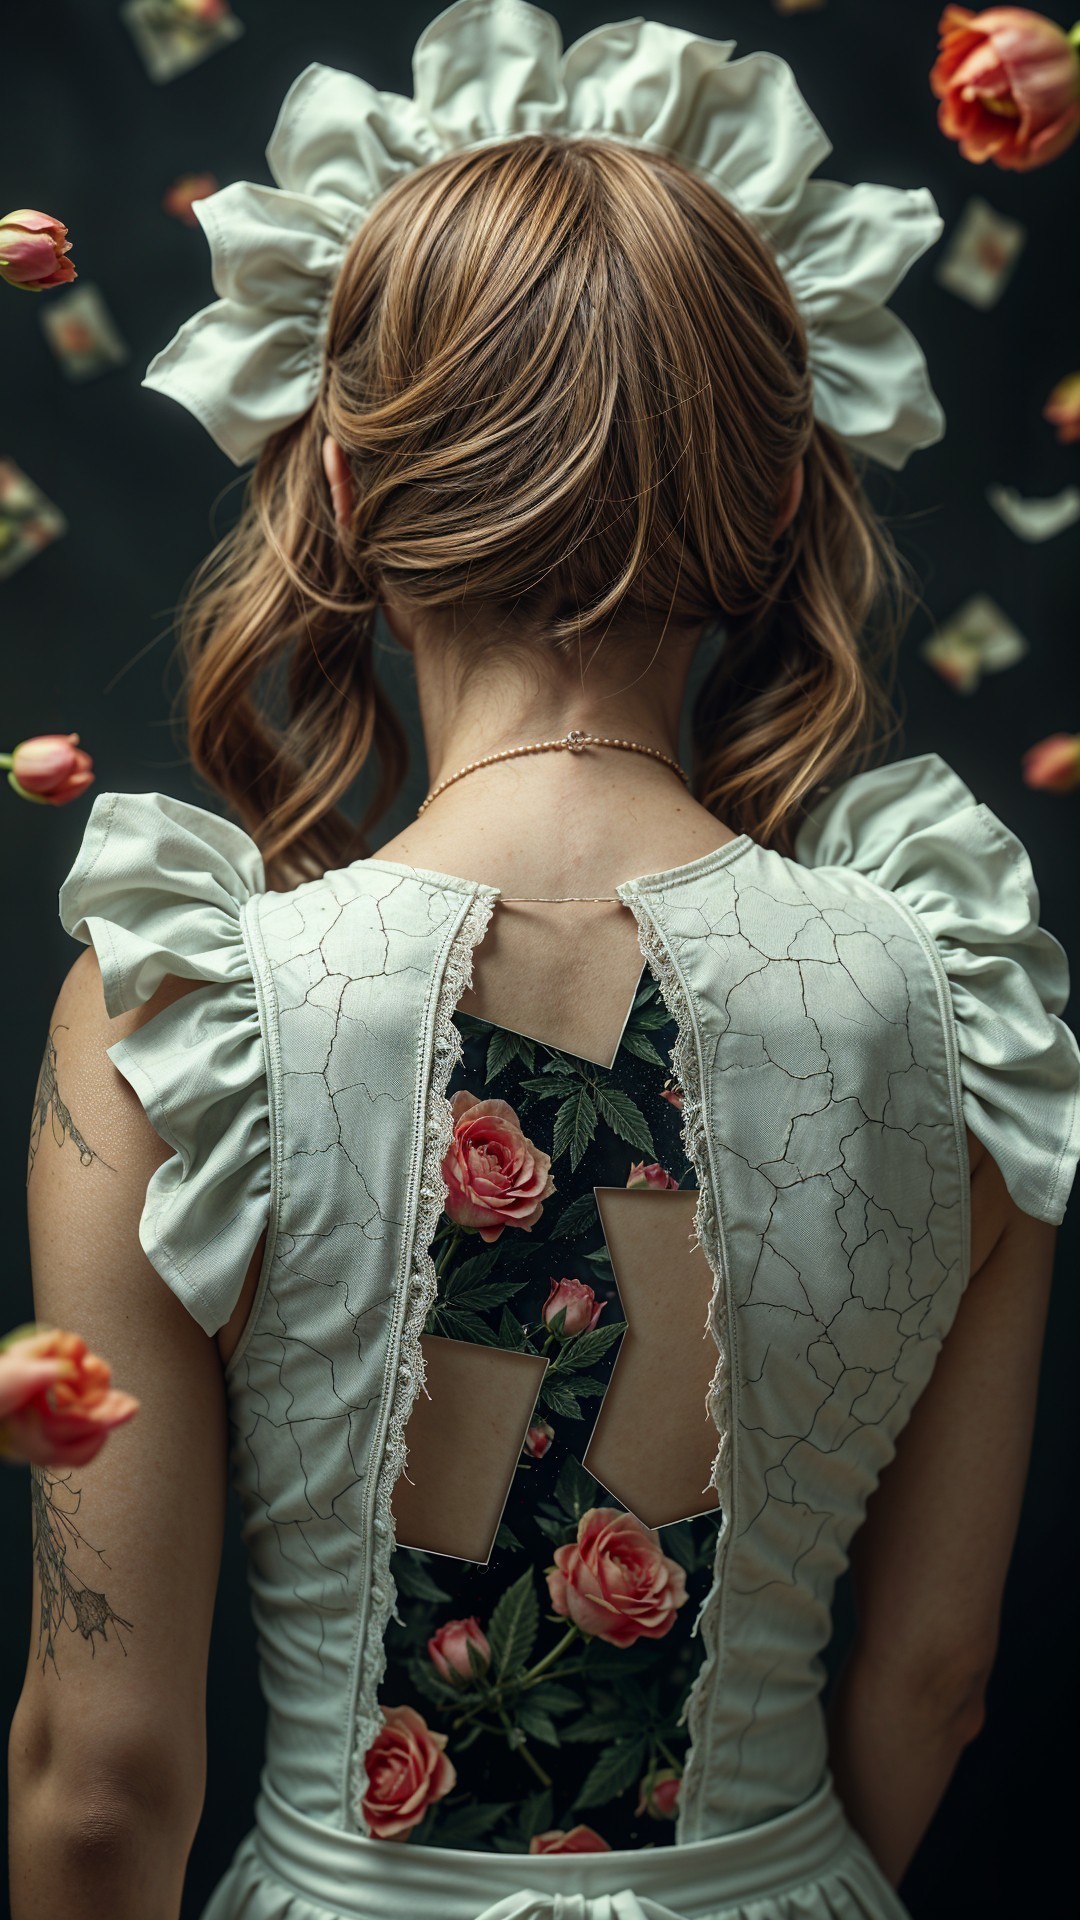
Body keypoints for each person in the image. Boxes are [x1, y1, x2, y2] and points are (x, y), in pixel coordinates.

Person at [9, 5, 1080, 1918]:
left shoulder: (179, 1017)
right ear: (772, 502)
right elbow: (938, 1678)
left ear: (343, 491)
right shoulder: (965, 995)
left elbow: (103, 1783)